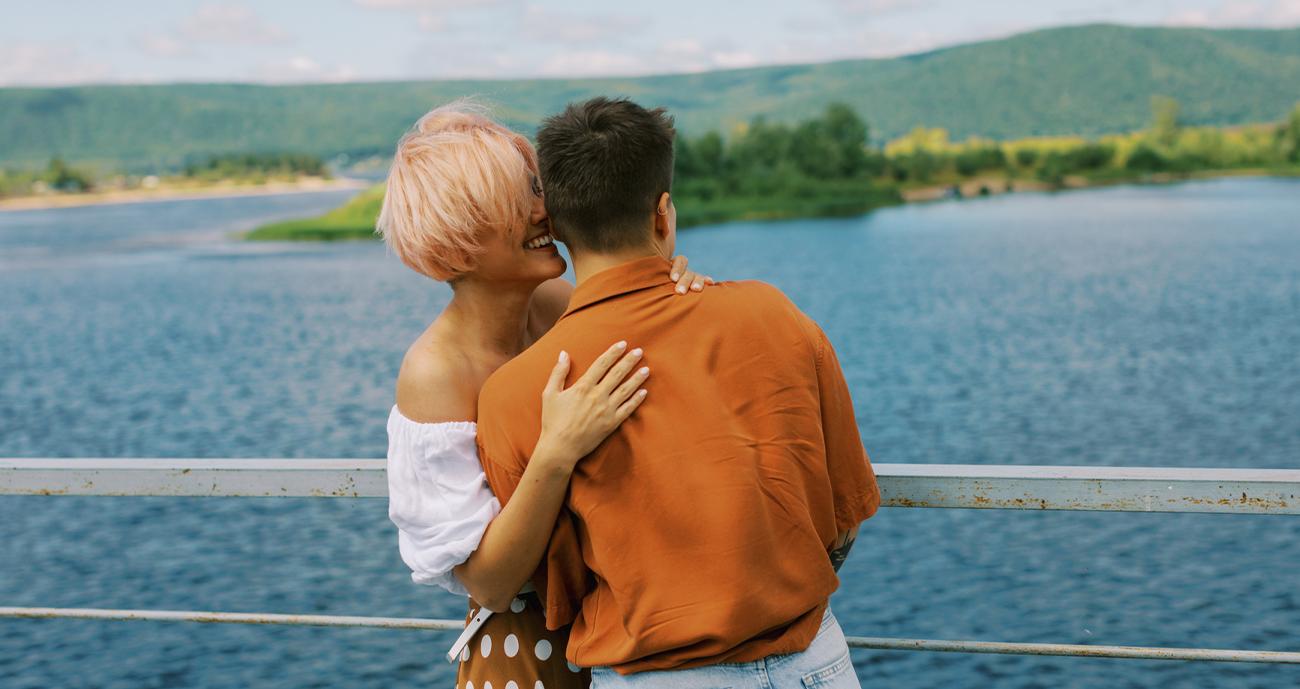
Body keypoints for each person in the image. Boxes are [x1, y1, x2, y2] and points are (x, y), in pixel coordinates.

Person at [475, 97, 881, 689]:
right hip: (814, 664)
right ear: (663, 214)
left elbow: (551, 586)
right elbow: (843, 518)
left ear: (557, 229)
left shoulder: (516, 394)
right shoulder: (772, 314)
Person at [379, 101, 713, 689]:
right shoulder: (434, 374)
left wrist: (667, 276)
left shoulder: (559, 305)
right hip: (530, 651)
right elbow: (490, 582)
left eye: (536, 189)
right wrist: (557, 450)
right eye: (517, 204)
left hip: (620, 621)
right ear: (456, 243)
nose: (545, 211)